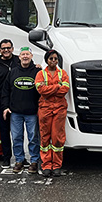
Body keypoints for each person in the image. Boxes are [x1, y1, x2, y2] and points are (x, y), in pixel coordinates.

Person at [2, 47, 42, 174]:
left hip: (32, 112)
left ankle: (34, 161)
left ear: (31, 56)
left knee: (33, 138)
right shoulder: (13, 72)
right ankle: (19, 160)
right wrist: (5, 106)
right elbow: (6, 91)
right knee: (17, 138)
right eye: (23, 54)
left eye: (27, 54)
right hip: (16, 112)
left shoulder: (38, 72)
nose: (25, 56)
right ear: (19, 57)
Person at [36, 49, 70, 177]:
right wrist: (56, 86)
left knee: (58, 138)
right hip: (45, 108)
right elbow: (41, 90)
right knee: (45, 137)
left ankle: (56, 166)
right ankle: (46, 165)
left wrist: (50, 89)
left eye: (55, 59)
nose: (53, 61)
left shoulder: (63, 73)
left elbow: (65, 89)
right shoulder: (40, 74)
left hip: (59, 109)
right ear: (46, 60)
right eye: (51, 59)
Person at [0, 39, 21, 168]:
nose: (6, 50)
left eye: (8, 48)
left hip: (18, 103)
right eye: (3, 48)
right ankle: (6, 157)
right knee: (4, 132)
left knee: (18, 133)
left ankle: (20, 158)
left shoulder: (19, 61)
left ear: (12, 48)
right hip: (2, 104)